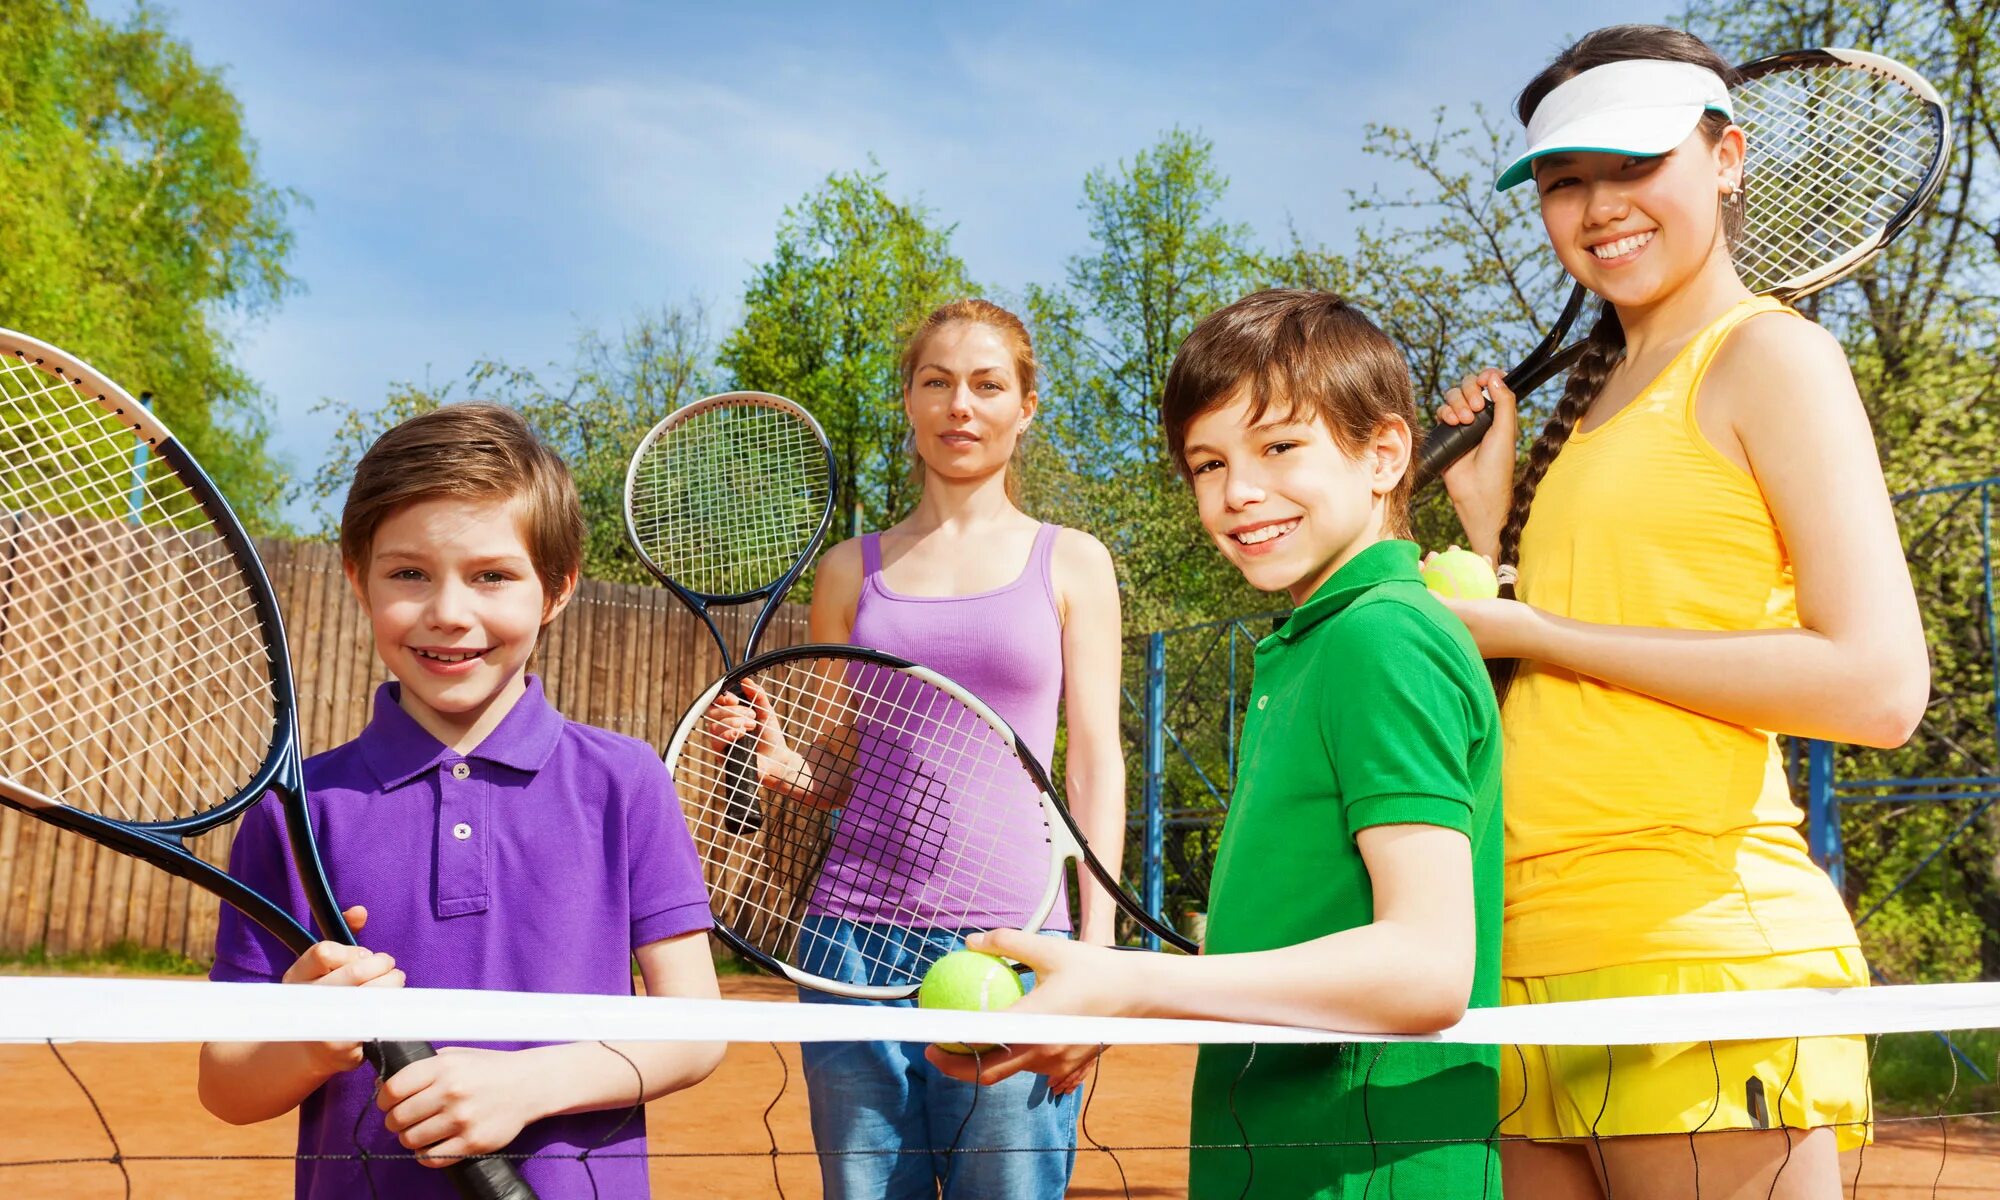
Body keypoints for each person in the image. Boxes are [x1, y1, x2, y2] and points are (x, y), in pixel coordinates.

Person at [1430, 24, 1929, 1199]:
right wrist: (1490, 538)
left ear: (1725, 157)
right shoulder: (1592, 407)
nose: (1595, 207)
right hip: (1523, 960)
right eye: (1562, 182)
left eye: (1630, 165)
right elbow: (1559, 685)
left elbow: (1875, 686)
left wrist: (1538, 632)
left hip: (1698, 952)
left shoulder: (1771, 360)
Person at [929, 288, 1506, 1198]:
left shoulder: (1381, 637)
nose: (1238, 492)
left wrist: (1135, 986)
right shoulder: (1317, 643)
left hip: (1361, 1167)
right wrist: (1122, 996)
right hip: (1282, 1153)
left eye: (1280, 447)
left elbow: (1427, 967)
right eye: (1208, 463)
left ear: (1386, 453)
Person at [198, 404, 724, 1199]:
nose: (449, 611)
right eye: (409, 573)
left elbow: (696, 1032)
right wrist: (309, 1041)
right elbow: (227, 1087)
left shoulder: (624, 781)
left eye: (493, 575)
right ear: (357, 579)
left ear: (556, 588)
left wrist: (529, 1086)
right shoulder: (298, 810)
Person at [705, 298, 1125, 1198]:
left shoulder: (1073, 561)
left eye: (987, 385)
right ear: (909, 400)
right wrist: (781, 760)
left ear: (1026, 406)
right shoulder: (851, 570)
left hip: (1015, 940)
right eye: (937, 383)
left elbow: (1093, 765)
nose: (959, 406)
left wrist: (1096, 952)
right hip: (849, 944)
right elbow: (839, 764)